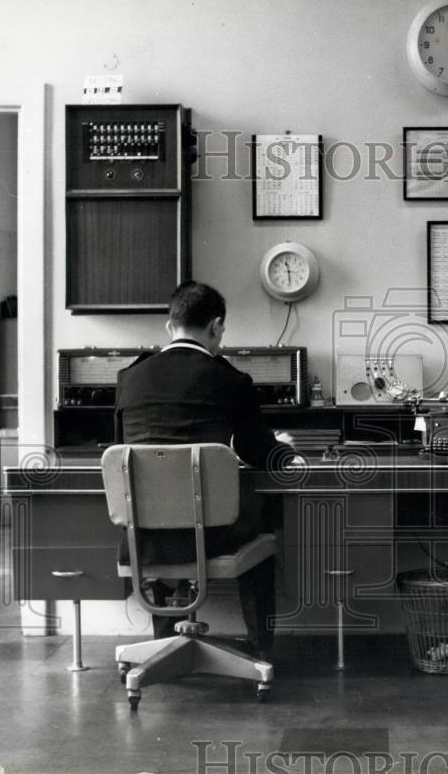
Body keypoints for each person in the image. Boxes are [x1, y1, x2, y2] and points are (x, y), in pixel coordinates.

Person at [114, 281, 294, 656]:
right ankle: (262, 652)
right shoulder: (230, 379)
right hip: (213, 536)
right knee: (263, 526)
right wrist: (287, 451)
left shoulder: (129, 379)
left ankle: (163, 645)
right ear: (216, 327)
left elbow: (125, 454)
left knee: (161, 512)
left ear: (170, 327)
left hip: (143, 537)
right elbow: (257, 450)